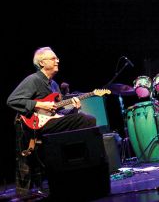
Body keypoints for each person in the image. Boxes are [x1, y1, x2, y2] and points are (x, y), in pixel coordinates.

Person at [7, 47, 97, 197]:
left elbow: (58, 113)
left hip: (50, 122)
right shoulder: (33, 80)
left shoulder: (54, 85)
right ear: (42, 63)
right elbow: (12, 100)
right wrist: (39, 104)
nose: (58, 60)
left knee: (84, 117)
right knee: (86, 120)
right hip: (33, 125)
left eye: (57, 58)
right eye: (53, 58)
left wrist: (74, 109)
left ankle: (74, 170)